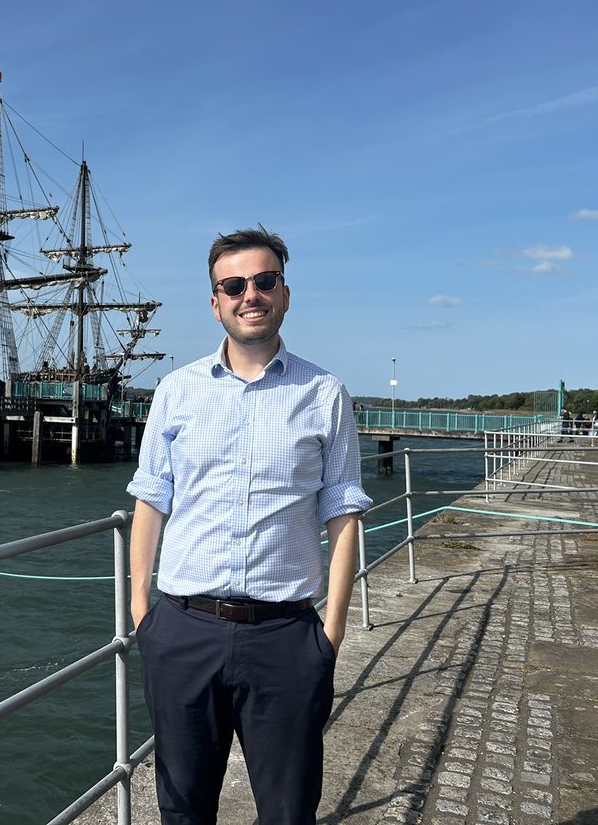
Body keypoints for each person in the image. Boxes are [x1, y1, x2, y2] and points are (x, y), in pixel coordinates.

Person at [128, 226, 372, 824]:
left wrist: (330, 634)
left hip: (286, 637)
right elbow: (151, 500)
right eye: (233, 286)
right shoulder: (175, 391)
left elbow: (342, 510)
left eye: (263, 281)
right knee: (182, 809)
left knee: (289, 813)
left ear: (284, 294)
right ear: (215, 303)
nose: (249, 295)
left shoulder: (325, 393)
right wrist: (143, 615)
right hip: (183, 630)